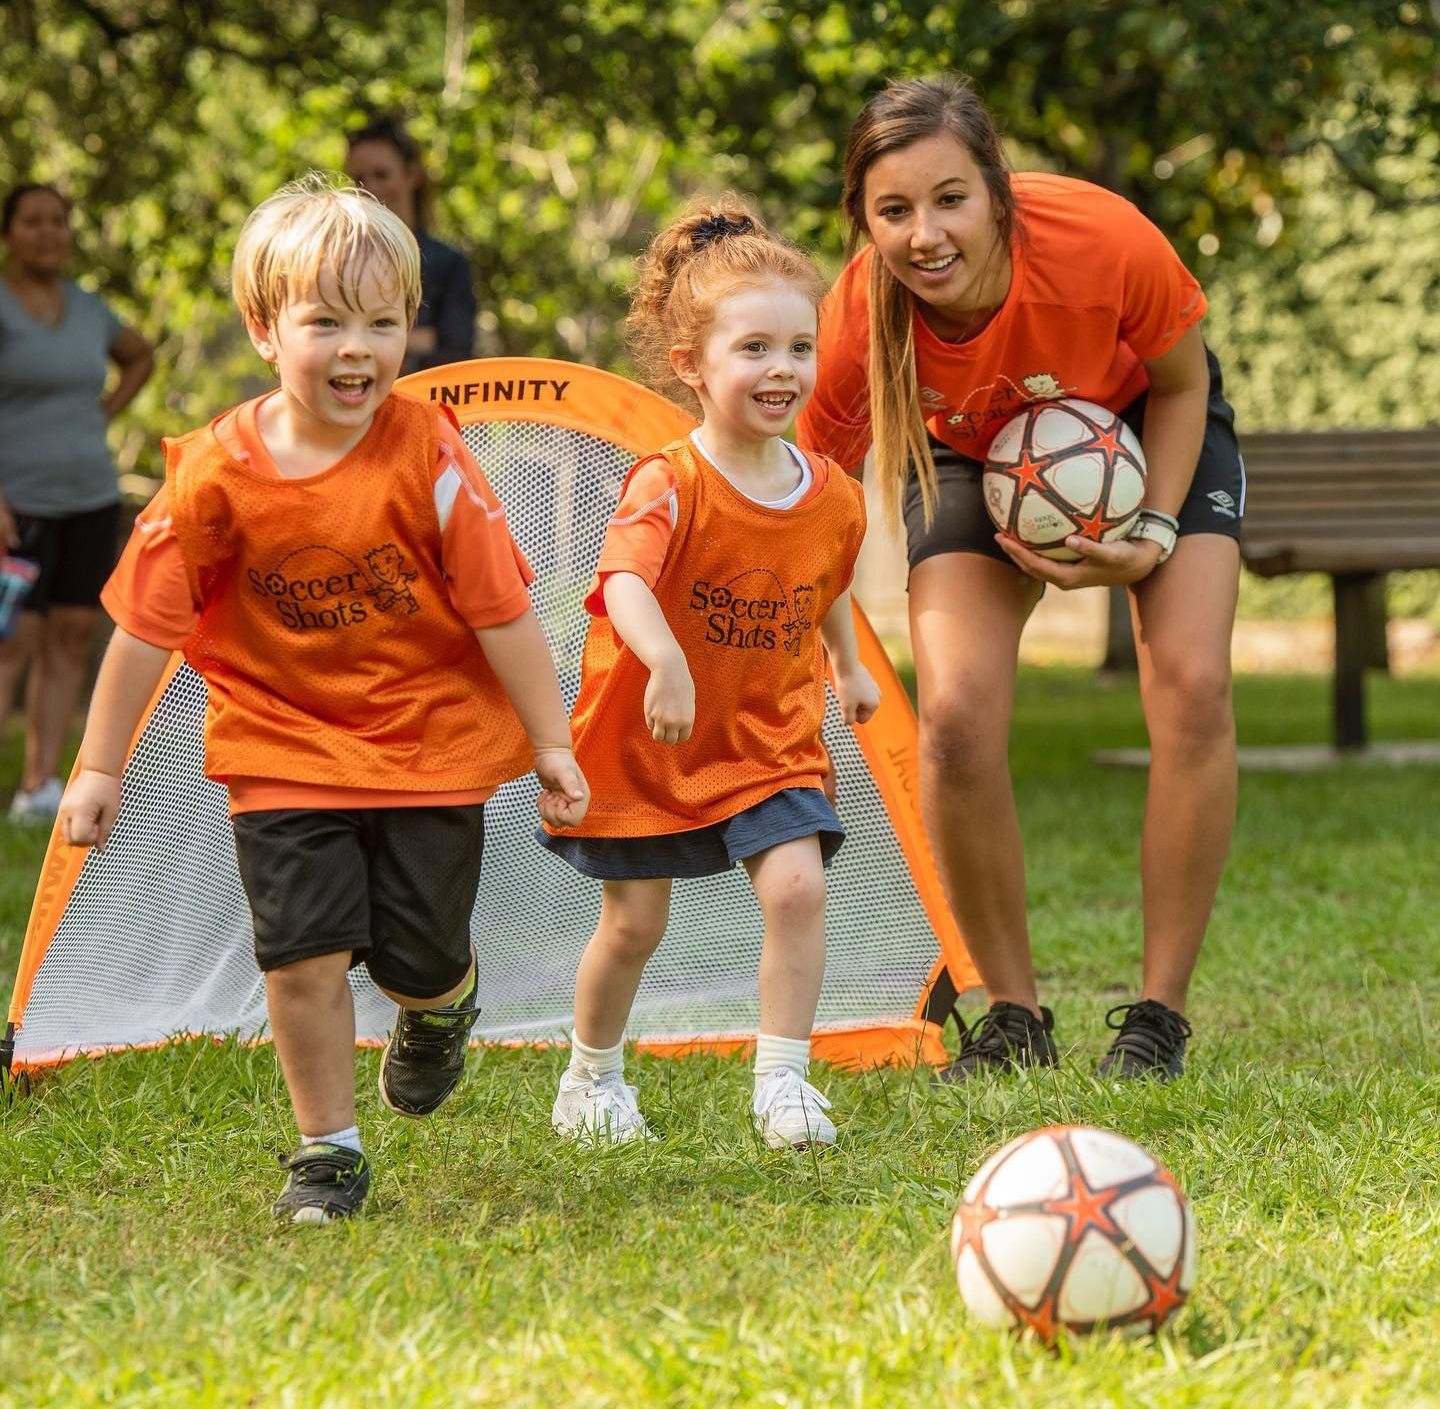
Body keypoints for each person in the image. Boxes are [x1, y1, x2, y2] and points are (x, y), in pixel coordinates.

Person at [58, 177, 589, 1224]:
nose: (359, 349)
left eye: (383, 323)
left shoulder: (429, 453)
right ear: (264, 330)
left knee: (419, 958)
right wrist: (98, 765)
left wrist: (552, 744)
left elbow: (501, 610)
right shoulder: (213, 475)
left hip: (428, 746)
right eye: (327, 322)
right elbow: (143, 630)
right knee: (300, 955)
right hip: (281, 750)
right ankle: (327, 1152)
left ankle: (441, 1010)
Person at [798, 76, 1243, 1083]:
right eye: (894, 212)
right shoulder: (855, 324)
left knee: (1192, 684)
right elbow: (808, 498)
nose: (925, 236)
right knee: (953, 715)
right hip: (962, 454)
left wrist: (1155, 530)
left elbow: (1183, 382)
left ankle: (1159, 1017)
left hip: (1144, 430)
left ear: (998, 190)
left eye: (949, 199)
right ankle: (1011, 1017)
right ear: (863, 224)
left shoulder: (1101, 240)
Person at [538, 198, 880, 1151]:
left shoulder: (832, 494)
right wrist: (667, 662)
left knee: (798, 889)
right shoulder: (669, 481)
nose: (783, 370)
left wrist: (848, 667)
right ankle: (591, 1078)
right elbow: (623, 585)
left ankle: (783, 1082)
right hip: (654, 741)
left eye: (800, 348)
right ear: (691, 365)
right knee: (635, 922)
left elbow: (826, 584)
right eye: (755, 349)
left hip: (768, 737)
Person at [0, 183, 154, 824]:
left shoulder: (91, 310)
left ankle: (38, 786)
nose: (48, 232)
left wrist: (103, 415)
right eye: (33, 221)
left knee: (70, 635)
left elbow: (138, 356)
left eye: (58, 221)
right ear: (9, 232)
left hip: (89, 495)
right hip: (17, 501)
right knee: (12, 641)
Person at [344, 117, 476, 374]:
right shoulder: (339, 258)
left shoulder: (448, 263)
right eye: (358, 179)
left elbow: (456, 350)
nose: (370, 188)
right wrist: (420, 338)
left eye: (382, 174)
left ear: (412, 175)